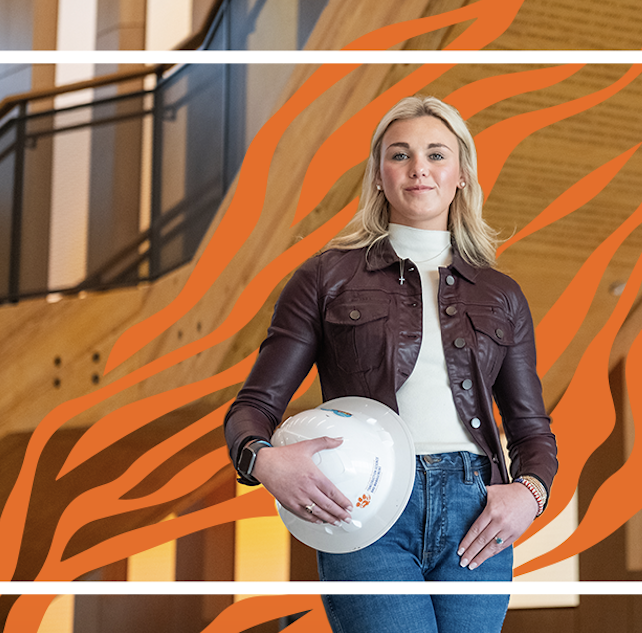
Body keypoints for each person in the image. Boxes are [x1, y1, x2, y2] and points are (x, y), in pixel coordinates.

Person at [222, 95, 560, 633]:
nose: (419, 168)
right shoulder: (324, 277)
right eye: (400, 155)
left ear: (462, 175)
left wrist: (531, 493)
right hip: (362, 502)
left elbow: (531, 430)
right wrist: (263, 461)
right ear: (379, 175)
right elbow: (254, 407)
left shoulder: (502, 295)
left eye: (436, 154)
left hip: (477, 514)